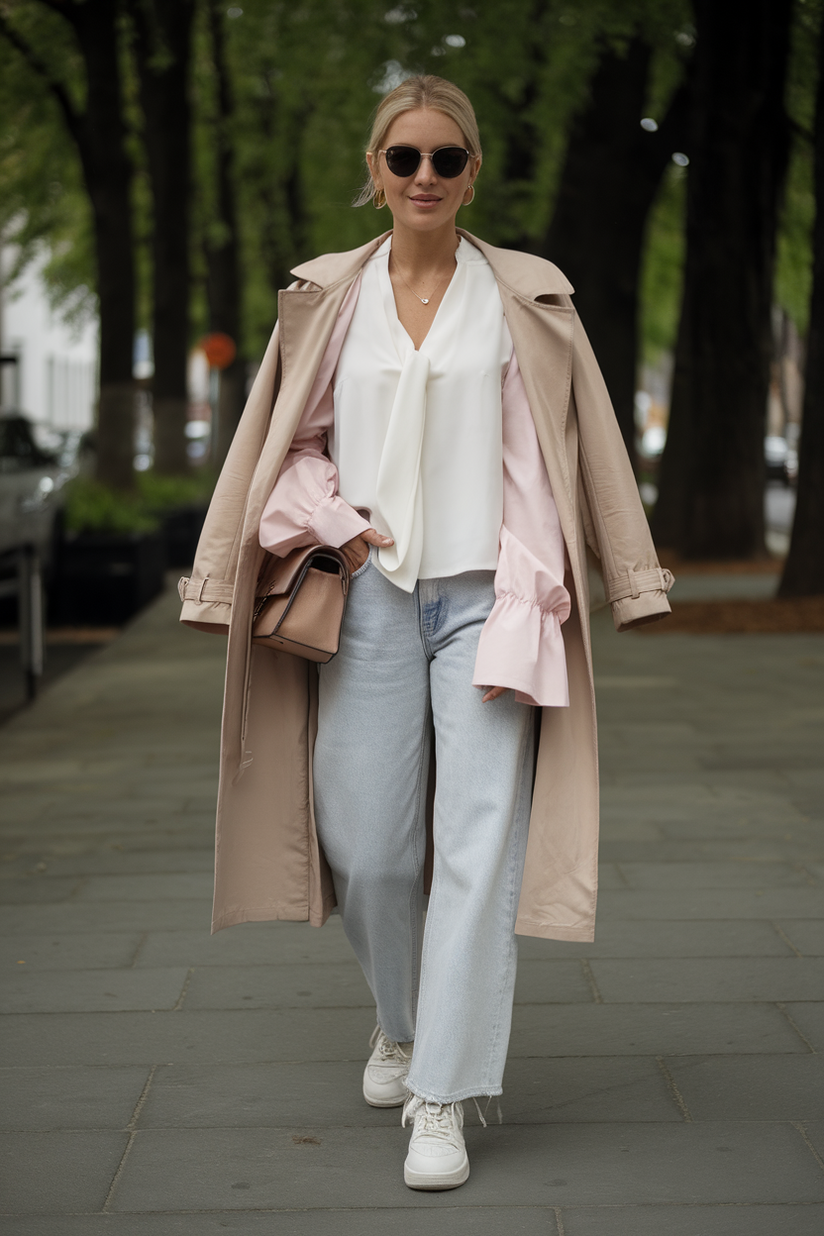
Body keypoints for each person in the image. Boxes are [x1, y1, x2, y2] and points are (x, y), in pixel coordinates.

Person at [179, 75, 673, 1192]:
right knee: (367, 847)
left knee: (476, 846)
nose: (423, 178)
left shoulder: (524, 295)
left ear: (471, 173)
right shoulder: (325, 297)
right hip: (368, 600)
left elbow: (578, 443)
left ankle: (443, 1091)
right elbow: (283, 446)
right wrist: (342, 532)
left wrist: (613, 577)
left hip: (492, 601)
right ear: (375, 170)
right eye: (403, 158)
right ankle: (398, 1025)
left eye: (445, 159)